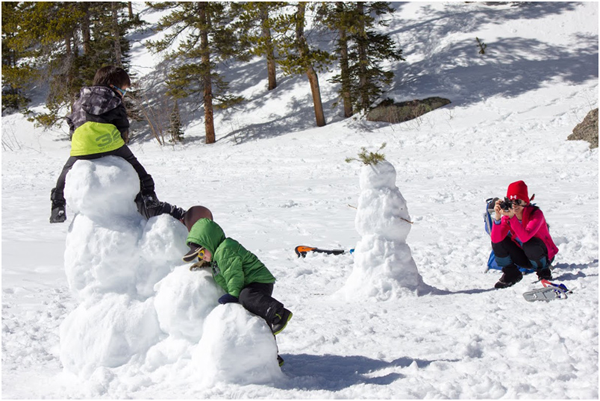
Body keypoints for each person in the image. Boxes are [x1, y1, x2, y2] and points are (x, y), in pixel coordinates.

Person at [50, 66, 184, 223]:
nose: (124, 94)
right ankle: (149, 200)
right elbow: (122, 125)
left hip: (81, 145)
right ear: (113, 86)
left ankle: (57, 205)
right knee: (139, 171)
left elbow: (72, 122)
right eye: (124, 90)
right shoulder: (113, 98)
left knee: (65, 173)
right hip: (110, 143)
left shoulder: (80, 98)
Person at [182, 218, 293, 336]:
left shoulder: (225, 250)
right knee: (259, 319)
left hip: (258, 280)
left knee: (246, 297)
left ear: (210, 243)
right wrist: (207, 263)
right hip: (249, 283)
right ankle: (271, 353)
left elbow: (233, 274)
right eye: (199, 255)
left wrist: (233, 295)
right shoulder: (218, 254)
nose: (202, 257)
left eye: (202, 253)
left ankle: (280, 314)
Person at [491, 180, 559, 288]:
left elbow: (525, 237)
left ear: (526, 202)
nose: (514, 206)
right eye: (511, 202)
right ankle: (511, 273)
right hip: (525, 257)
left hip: (543, 256)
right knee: (500, 241)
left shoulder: (536, 214)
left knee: (529, 243)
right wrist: (498, 219)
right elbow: (495, 240)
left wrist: (512, 218)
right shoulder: (508, 217)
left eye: (518, 201)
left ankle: (543, 272)